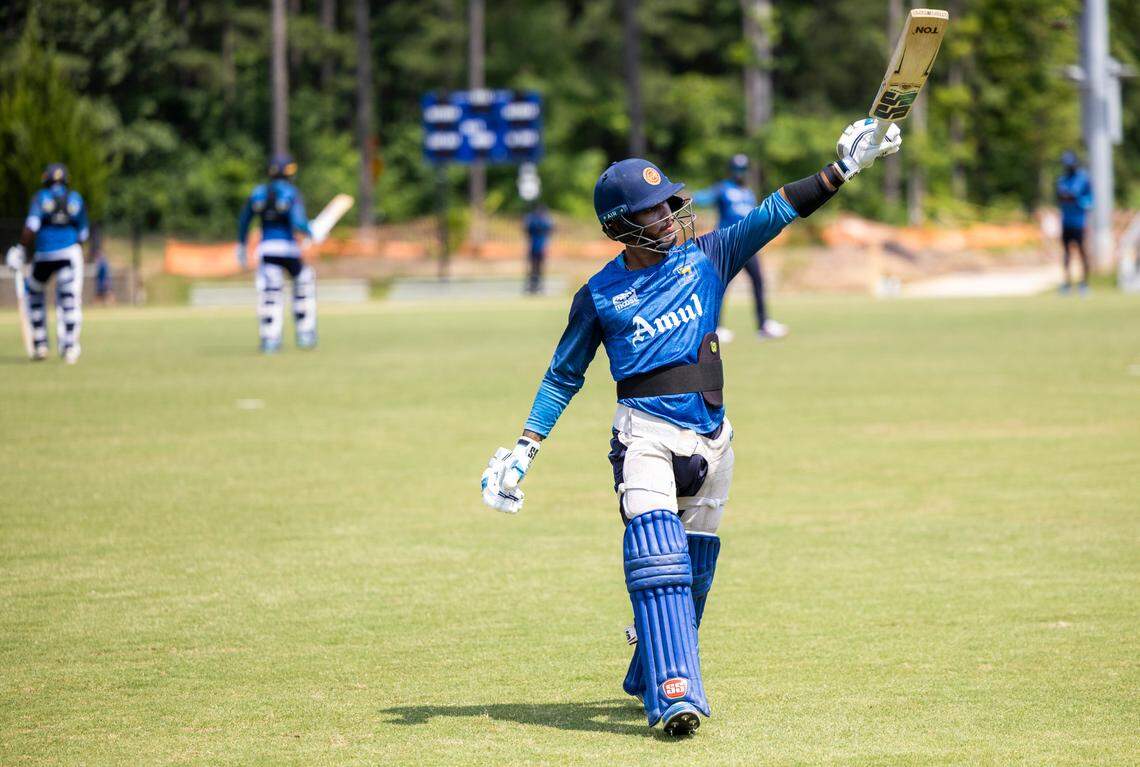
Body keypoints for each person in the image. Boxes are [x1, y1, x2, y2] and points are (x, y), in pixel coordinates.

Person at [480, 118, 902, 737]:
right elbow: (562, 377)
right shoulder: (599, 295)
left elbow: (775, 212)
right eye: (654, 211)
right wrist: (523, 450)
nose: (672, 215)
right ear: (621, 224)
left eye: (670, 203)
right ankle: (675, 695)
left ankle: (647, 666)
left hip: (714, 438)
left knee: (695, 577)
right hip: (644, 437)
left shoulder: (707, 258)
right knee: (660, 563)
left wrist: (842, 168)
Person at [692, 154, 787, 339]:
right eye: (736, 169)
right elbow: (703, 198)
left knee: (758, 281)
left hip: (748, 244)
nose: (739, 173)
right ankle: (715, 327)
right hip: (726, 246)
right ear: (730, 170)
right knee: (719, 286)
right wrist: (687, 198)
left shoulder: (748, 193)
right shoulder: (722, 189)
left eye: (742, 169)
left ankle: (763, 325)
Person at [4, 163, 90, 363]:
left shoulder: (41, 198)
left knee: (33, 293)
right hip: (68, 255)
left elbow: (31, 226)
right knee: (69, 300)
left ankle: (40, 343)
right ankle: (69, 346)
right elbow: (83, 234)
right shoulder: (75, 199)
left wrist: (20, 249)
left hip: (43, 256)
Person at [237, 153, 317, 352]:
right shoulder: (291, 193)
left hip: (268, 250)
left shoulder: (258, 193)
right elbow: (298, 222)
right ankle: (305, 334)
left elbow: (244, 221)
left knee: (270, 293)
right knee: (303, 286)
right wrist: (310, 231)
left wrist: (241, 246)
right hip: (289, 250)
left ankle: (270, 339)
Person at [1055, 150, 1093, 296]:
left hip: (1080, 222)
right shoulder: (1062, 180)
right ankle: (1067, 283)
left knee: (1082, 252)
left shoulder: (1083, 179)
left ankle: (1084, 283)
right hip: (1066, 222)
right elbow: (1059, 198)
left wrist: (1077, 200)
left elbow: (1089, 200)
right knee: (1066, 253)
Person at [523, 204, 553, 294]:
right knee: (533, 267)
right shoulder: (534, 220)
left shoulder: (544, 221)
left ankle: (538, 285)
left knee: (539, 267)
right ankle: (532, 285)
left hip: (540, 247)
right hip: (534, 247)